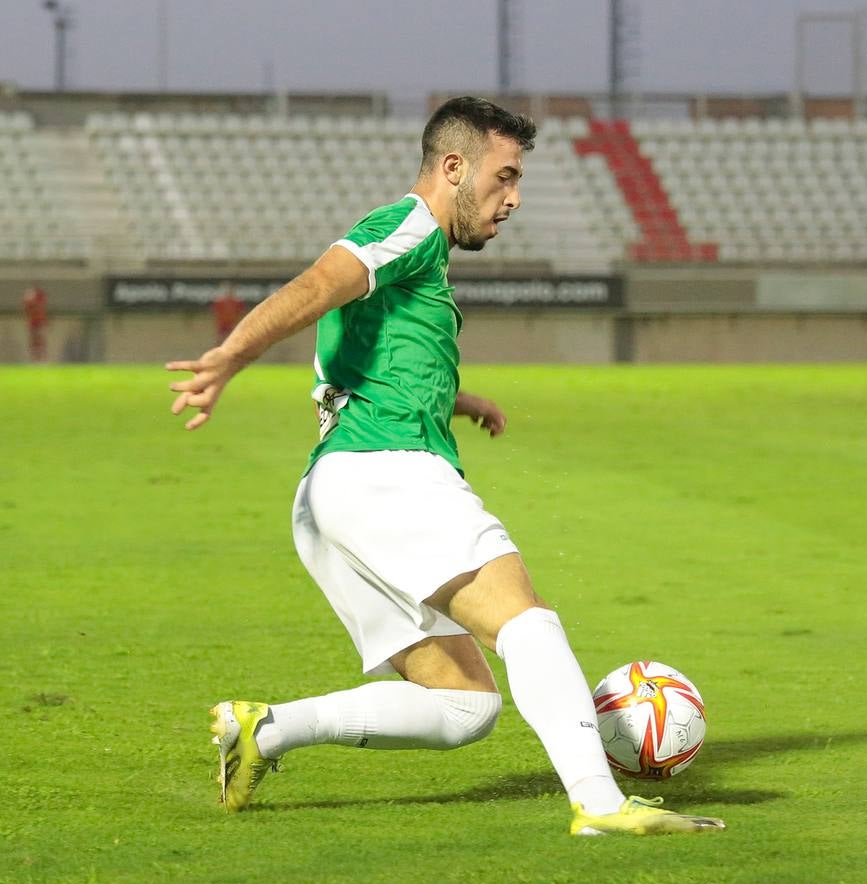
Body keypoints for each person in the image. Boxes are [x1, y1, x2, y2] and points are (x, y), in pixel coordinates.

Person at [166, 96, 723, 837]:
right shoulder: (409, 226)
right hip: (385, 472)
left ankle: (264, 731)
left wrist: (459, 399)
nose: (514, 199)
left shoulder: (417, 255)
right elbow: (314, 287)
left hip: (332, 496)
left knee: (466, 706)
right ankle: (599, 801)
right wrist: (230, 355)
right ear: (454, 167)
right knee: (525, 622)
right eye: (505, 177)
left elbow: (365, 355)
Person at [22, 283, 47, 363]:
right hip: (33, 322)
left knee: (40, 338)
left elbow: (42, 307)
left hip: (39, 322)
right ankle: (34, 358)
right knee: (34, 339)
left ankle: (41, 357)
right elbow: (27, 308)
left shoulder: (40, 298)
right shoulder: (29, 299)